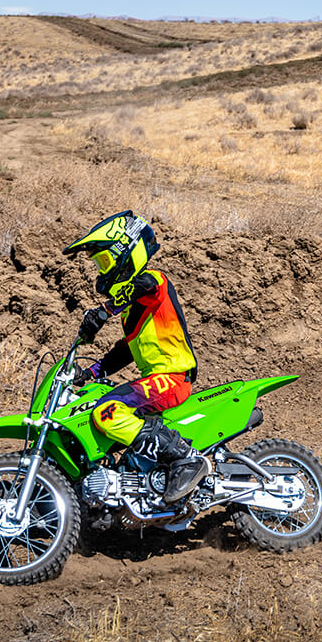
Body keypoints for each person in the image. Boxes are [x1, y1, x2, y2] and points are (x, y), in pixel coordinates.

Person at [62, 210, 208, 505]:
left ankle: (186, 459)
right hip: (157, 379)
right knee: (97, 401)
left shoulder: (154, 282)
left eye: (104, 260)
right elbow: (125, 351)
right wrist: (89, 373)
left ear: (125, 251)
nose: (102, 269)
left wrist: (104, 311)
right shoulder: (136, 311)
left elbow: (142, 286)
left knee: (108, 413)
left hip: (172, 377)